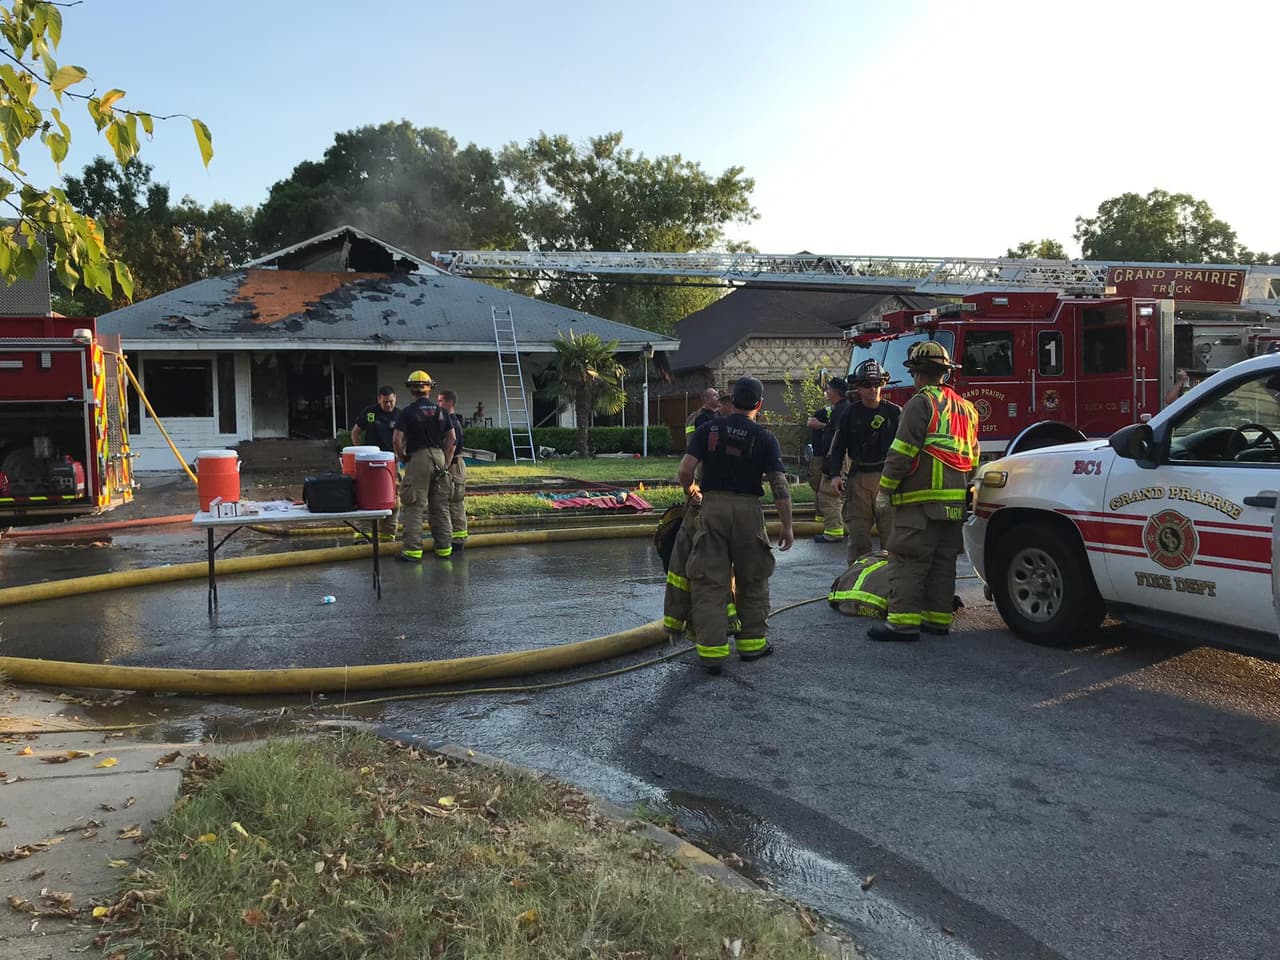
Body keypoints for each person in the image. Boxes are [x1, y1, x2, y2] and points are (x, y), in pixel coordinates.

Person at [679, 377, 794, 674]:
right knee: (752, 578)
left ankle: (712, 654)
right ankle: (752, 646)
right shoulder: (765, 438)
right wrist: (787, 525)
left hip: (712, 508)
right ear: (758, 404)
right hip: (748, 512)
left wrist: (692, 491)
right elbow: (779, 485)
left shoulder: (707, 430)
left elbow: (685, 470)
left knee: (709, 580)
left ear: (729, 401)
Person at [869, 340, 978, 642]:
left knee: (907, 560)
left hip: (920, 505)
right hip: (954, 504)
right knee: (943, 564)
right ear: (946, 373)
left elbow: (901, 453)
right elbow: (973, 456)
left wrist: (885, 491)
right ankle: (938, 620)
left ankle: (902, 625)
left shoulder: (921, 403)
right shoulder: (967, 409)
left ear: (917, 374)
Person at [662, 387, 738, 640]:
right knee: (702, 563)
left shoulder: (709, 424)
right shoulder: (706, 424)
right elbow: (690, 465)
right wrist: (693, 490)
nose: (720, 404)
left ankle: (692, 623)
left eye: (723, 400)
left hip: (706, 498)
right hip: (711, 498)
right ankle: (712, 622)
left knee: (696, 563)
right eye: (718, 399)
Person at [830, 360, 900, 564]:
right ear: (858, 387)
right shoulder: (849, 414)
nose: (873, 389)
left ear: (883, 384)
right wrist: (835, 475)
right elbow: (838, 447)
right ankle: (857, 585)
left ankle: (892, 586)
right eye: (867, 384)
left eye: (877, 383)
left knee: (892, 539)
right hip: (859, 480)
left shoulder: (895, 413)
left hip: (889, 481)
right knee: (859, 538)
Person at [392, 370, 455, 562]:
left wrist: (403, 457)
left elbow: (397, 439)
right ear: (430, 388)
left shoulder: (408, 412)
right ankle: (444, 549)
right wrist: (445, 461)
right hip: (439, 456)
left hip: (417, 457)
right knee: (440, 505)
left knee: (414, 505)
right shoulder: (441, 412)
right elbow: (452, 439)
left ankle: (412, 551)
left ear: (412, 389)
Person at [350, 385, 400, 533]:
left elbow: (405, 439)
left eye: (391, 401)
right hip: (368, 463)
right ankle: (362, 534)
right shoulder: (370, 412)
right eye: (385, 402)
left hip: (391, 463)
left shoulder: (400, 415)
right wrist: (361, 453)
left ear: (395, 398)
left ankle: (388, 533)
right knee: (366, 496)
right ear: (379, 399)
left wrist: (400, 455)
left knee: (393, 497)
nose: (389, 405)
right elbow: (355, 433)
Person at [811, 377, 850, 543]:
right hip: (839, 457)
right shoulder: (841, 408)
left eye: (829, 389)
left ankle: (833, 532)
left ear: (837, 392)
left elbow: (838, 438)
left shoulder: (841, 410)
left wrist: (831, 460)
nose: (826, 391)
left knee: (828, 495)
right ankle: (838, 526)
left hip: (837, 458)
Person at [437, 388, 468, 551]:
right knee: (449, 503)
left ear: (449, 403)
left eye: (440, 401)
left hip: (454, 466)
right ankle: (455, 536)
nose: (437, 404)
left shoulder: (452, 423)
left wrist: (444, 467)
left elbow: (451, 446)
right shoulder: (448, 420)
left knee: (454, 503)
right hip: (452, 465)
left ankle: (458, 540)